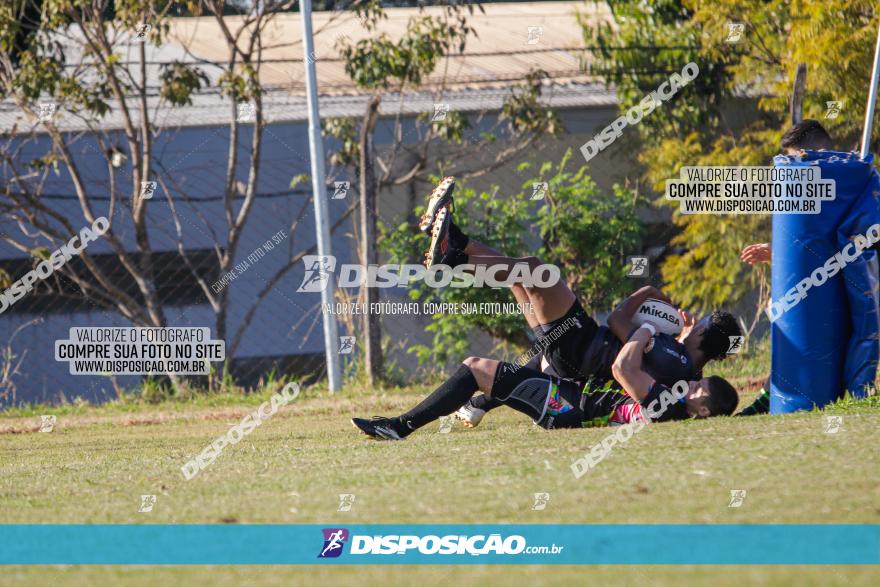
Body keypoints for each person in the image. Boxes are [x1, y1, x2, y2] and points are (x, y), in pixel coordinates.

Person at [350, 181, 740, 439]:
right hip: (576, 355)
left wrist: (651, 311)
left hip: (580, 349)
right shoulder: (680, 367)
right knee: (523, 274)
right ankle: (455, 247)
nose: (693, 319)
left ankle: (454, 253)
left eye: (701, 321)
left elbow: (621, 328)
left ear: (705, 334)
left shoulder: (675, 363)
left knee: (534, 272)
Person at [736, 119, 836, 416]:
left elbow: (833, 245)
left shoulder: (843, 180)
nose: (793, 167)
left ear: (816, 152)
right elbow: (811, 240)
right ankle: (772, 394)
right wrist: (776, 252)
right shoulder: (813, 183)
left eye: (796, 159)